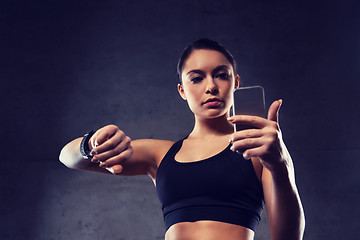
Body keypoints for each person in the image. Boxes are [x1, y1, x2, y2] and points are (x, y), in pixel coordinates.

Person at [59, 39, 305, 240]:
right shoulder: (160, 154)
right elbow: (69, 158)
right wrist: (90, 144)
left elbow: (288, 238)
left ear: (235, 83)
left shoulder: (261, 151)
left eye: (221, 75)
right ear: (182, 91)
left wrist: (279, 164)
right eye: (197, 78)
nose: (211, 86)